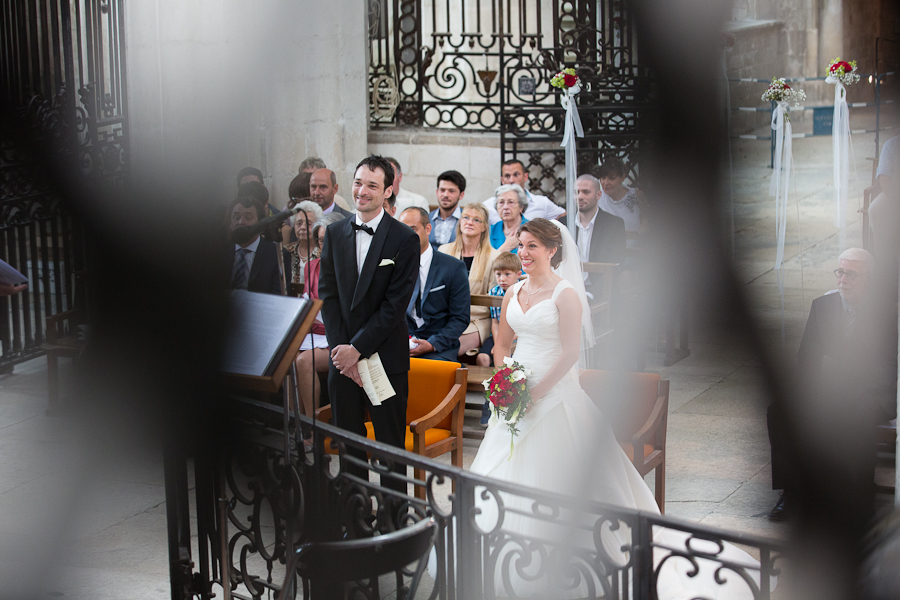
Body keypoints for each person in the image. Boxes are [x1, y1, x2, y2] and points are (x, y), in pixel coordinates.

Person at [456, 218, 765, 597]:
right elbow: (502, 345)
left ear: (553, 250)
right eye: (521, 245)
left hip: (554, 394)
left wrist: (535, 394)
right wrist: (508, 382)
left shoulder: (566, 294)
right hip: (516, 391)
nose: (524, 253)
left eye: (533, 246)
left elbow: (570, 354)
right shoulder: (514, 291)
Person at [767, 248, 896, 525]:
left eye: (852, 274)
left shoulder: (884, 314)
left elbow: (887, 365)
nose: (843, 280)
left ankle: (862, 498)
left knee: (858, 415)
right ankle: (791, 492)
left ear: (869, 279)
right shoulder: (822, 306)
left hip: (870, 390)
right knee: (779, 410)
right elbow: (807, 356)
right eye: (840, 272)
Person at [319, 155, 419, 508]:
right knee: (348, 446)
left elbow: (394, 306)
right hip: (342, 359)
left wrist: (357, 349)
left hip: (385, 360)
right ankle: (355, 521)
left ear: (389, 190)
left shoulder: (405, 239)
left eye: (372, 185)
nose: (362, 191)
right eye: (359, 182)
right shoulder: (333, 232)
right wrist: (343, 353)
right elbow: (328, 297)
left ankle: (395, 525)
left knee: (390, 449)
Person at [292, 214, 346, 423]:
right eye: (321, 239)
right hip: (312, 333)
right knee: (286, 359)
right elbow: (308, 302)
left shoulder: (349, 267)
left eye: (328, 238)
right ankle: (295, 423)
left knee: (304, 361)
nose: (324, 244)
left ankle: (312, 426)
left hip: (336, 336)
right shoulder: (311, 266)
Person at [399, 208, 470, 361]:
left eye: (412, 229)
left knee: (431, 373)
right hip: (401, 343)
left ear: (428, 229)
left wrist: (433, 344)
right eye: (402, 230)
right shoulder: (395, 265)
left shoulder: (453, 267)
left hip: (439, 347)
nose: (406, 236)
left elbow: (460, 317)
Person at [438, 203, 500, 357]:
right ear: (460, 222)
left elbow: (493, 300)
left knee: (447, 348)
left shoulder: (494, 257)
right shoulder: (443, 251)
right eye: (466, 217)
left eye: (476, 220)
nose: (469, 222)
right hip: (445, 318)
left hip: (477, 320)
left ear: (484, 227)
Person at [558, 174, 627, 302]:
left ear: (598, 195)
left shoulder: (613, 224)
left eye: (586, 192)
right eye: (576, 192)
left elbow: (616, 265)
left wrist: (590, 294)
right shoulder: (564, 223)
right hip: (567, 289)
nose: (580, 196)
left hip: (601, 292)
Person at [476, 251, 521, 426]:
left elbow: (520, 324)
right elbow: (495, 322)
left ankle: (497, 405)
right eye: (498, 274)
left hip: (517, 336)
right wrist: (497, 342)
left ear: (518, 274)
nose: (502, 278)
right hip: (498, 335)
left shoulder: (521, 291)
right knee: (483, 357)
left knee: (507, 362)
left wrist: (506, 343)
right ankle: (488, 394)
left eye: (507, 274)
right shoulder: (494, 291)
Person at [227, 196, 288, 295]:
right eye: (236, 217)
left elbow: (277, 299)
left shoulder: (278, 255)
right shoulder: (218, 252)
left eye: (248, 217)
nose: (241, 222)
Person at [482, 159, 565, 225]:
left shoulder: (542, 203)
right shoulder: (488, 206)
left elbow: (564, 217)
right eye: (507, 176)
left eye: (516, 175)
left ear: (525, 177)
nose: (512, 180)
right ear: (502, 180)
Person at [596, 157, 648, 247]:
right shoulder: (597, 198)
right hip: (608, 249)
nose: (605, 182)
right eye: (603, 178)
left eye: (611, 178)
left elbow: (646, 219)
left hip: (634, 249)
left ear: (622, 177)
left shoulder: (637, 196)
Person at [869, 135, 900, 268]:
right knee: (875, 209)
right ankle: (884, 262)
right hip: (895, 195)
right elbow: (884, 178)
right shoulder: (892, 144)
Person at [284, 200, 324, 287]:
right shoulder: (286, 252)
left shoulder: (324, 253)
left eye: (308, 224)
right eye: (299, 223)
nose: (303, 227)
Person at [428, 170, 466, 248]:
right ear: (437, 192)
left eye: (451, 191)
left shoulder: (468, 220)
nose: (445, 195)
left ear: (461, 195)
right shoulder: (427, 218)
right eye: (442, 190)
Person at [489, 184, 528, 253]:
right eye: (501, 202)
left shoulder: (532, 229)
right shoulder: (490, 231)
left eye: (511, 202)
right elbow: (484, 262)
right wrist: (505, 248)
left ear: (521, 207)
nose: (505, 207)